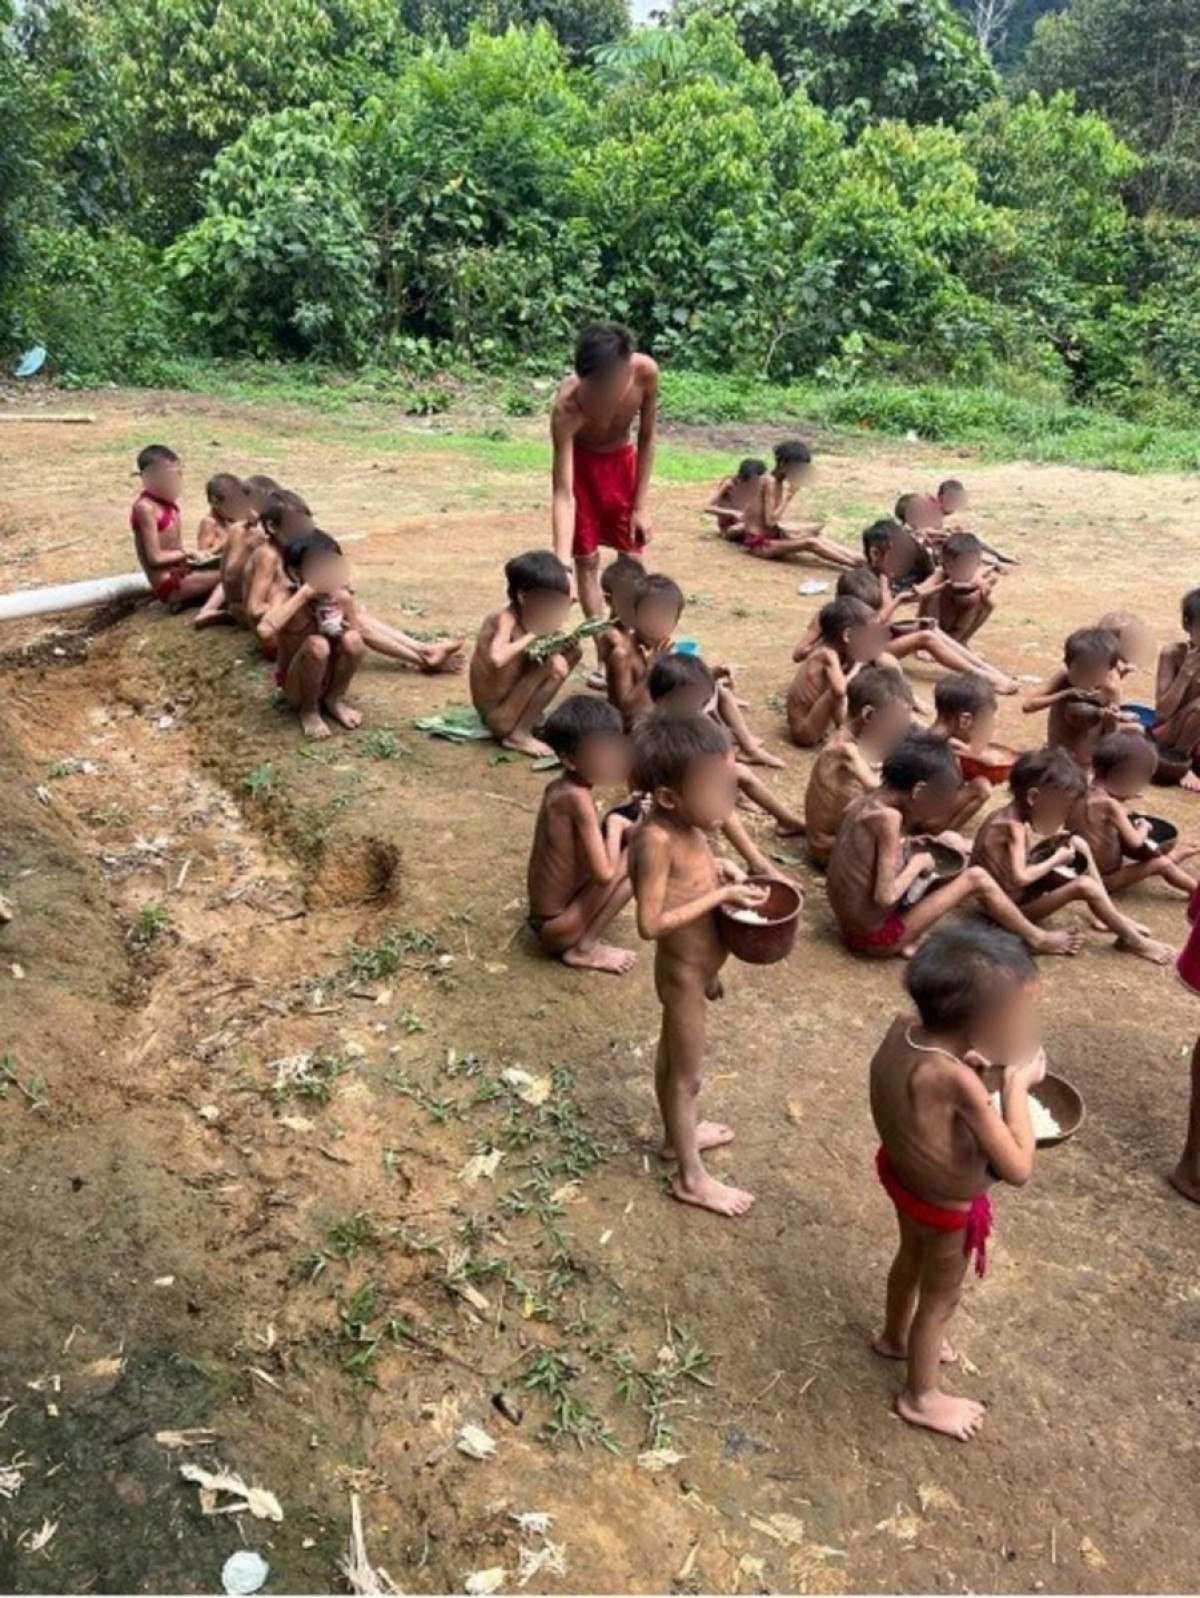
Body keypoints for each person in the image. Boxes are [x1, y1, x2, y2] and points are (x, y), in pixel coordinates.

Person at [870, 922, 1046, 1440]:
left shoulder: (905, 1031)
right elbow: (1018, 1167)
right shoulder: (956, 1081)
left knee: (909, 1261)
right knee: (941, 1299)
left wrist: (976, 1064)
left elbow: (924, 1094)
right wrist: (1014, 1085)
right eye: (1021, 1015)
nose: (1027, 1027)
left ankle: (894, 1336)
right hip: (943, 1208)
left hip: (903, 1181)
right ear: (981, 1024)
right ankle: (921, 1396)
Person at [628, 714, 770, 1218]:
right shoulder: (656, 840)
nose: (726, 799)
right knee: (686, 1077)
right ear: (669, 797)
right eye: (713, 789)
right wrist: (722, 896)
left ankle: (676, 1138)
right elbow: (651, 922)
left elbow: (689, 881)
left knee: (673, 1062)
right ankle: (691, 1179)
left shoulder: (689, 826)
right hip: (682, 977)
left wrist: (719, 871)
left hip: (699, 973)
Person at [826, 733, 1082, 959]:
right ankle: (1037, 938)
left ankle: (911, 937)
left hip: (850, 927)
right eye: (938, 802)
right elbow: (885, 897)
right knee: (976, 878)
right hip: (875, 938)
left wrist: (905, 845)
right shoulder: (888, 819)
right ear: (919, 791)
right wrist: (917, 863)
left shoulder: (863, 803)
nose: (938, 812)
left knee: (944, 856)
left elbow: (858, 855)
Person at [972, 746, 1174, 964]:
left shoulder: (1007, 816)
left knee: (1078, 843)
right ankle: (1133, 941)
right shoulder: (1014, 828)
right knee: (1084, 886)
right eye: (1060, 808)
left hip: (1012, 896)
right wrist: (1056, 859)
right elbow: (1020, 878)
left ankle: (1108, 913)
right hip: (1009, 910)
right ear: (1033, 797)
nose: (1061, 815)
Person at [551, 322, 659, 628]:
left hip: (622, 466)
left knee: (632, 559)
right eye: (593, 388)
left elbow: (647, 436)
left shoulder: (646, 374)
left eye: (608, 389)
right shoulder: (566, 409)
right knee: (586, 560)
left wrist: (640, 505)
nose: (601, 398)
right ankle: (602, 643)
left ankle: (625, 634)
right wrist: (562, 566)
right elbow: (563, 493)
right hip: (582, 470)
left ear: (626, 373)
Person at [525, 695, 636, 976]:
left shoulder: (560, 788)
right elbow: (604, 874)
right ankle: (585, 948)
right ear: (570, 760)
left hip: (553, 919)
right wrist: (616, 825)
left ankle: (582, 939)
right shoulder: (577, 798)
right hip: (557, 928)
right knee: (640, 855)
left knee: (626, 833)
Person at [647, 653, 806, 836]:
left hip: (699, 781)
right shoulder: (660, 732)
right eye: (692, 698)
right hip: (680, 795)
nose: (699, 704)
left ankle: (786, 820)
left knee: (741, 773)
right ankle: (755, 847)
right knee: (724, 804)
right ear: (664, 699)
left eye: (701, 698)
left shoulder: (689, 717)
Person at [259, 530, 365, 741]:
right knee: (317, 644)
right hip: (296, 685)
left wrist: (344, 622)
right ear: (295, 573)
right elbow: (264, 631)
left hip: (329, 678)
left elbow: (358, 637)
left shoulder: (341, 598)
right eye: (318, 568)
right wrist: (304, 595)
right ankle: (309, 709)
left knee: (353, 640)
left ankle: (334, 699)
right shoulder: (287, 595)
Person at [470, 550, 577, 758]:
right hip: (498, 717)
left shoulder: (530, 616)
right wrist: (534, 636)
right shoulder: (505, 618)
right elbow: (497, 658)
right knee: (553, 665)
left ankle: (530, 716)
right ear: (523, 597)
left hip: (512, 705)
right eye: (547, 600)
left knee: (573, 651)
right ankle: (519, 734)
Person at [804, 665, 914, 867]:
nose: (898, 730)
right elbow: (874, 788)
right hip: (827, 848)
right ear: (869, 715)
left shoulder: (854, 739)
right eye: (895, 723)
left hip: (835, 838)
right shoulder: (844, 750)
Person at [1071, 730, 1199, 897]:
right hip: (1102, 879)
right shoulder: (1110, 805)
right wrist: (1144, 827)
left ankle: (1174, 857)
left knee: (1153, 858)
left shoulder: (1081, 790)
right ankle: (1196, 891)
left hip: (1077, 868)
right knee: (1162, 864)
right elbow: (1136, 842)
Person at [129, 444, 221, 613]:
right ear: (149, 478)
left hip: (184, 571)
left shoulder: (170, 506)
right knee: (231, 574)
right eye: (171, 476)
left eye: (179, 474)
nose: (176, 481)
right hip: (169, 583)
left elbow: (174, 549)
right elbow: (155, 558)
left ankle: (191, 600)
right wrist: (188, 552)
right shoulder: (145, 508)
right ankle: (206, 612)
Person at [1024, 626, 1131, 769]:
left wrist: (1110, 717)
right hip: (1057, 756)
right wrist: (1065, 693)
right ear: (1068, 665)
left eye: (1094, 674)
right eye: (1080, 672)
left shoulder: (1110, 689)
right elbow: (1028, 706)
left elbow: (1111, 733)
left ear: (1108, 670)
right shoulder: (1063, 679)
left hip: (1086, 763)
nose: (1086, 680)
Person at [786, 596, 877, 747]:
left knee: (840, 684)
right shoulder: (827, 655)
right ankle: (845, 735)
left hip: (806, 727)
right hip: (803, 733)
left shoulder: (827, 650)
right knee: (837, 691)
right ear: (847, 636)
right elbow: (840, 691)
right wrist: (857, 666)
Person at [605, 572, 685, 731]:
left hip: (663, 718)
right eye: (651, 614)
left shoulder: (666, 649)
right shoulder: (622, 655)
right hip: (635, 730)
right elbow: (625, 714)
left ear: (675, 622)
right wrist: (652, 669)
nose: (658, 622)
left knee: (719, 694)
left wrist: (712, 676)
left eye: (666, 616)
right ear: (633, 615)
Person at [919, 532, 999, 645]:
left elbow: (991, 605)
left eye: (966, 566)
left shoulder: (975, 580)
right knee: (932, 595)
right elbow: (919, 592)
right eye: (951, 566)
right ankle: (929, 641)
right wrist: (941, 587)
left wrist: (984, 594)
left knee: (979, 600)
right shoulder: (940, 575)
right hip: (935, 625)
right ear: (943, 563)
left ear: (976, 565)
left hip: (957, 629)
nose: (959, 572)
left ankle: (961, 642)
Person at [1154, 588, 1200, 782]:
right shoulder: (1172, 654)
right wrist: (1186, 673)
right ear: (1187, 624)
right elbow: (1162, 713)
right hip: (1166, 736)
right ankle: (1180, 763)